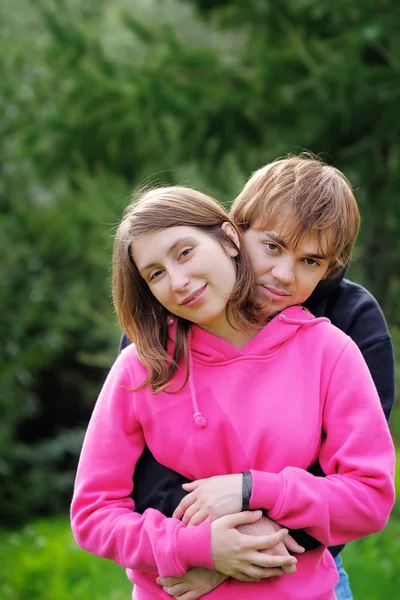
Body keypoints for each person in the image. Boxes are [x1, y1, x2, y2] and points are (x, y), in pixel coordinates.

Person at [71, 183, 395, 600]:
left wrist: (254, 489)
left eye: (184, 252)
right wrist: (198, 548)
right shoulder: (140, 367)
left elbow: (368, 496)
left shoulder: (330, 350)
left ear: (227, 239)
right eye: (155, 274)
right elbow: (94, 513)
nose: (179, 281)